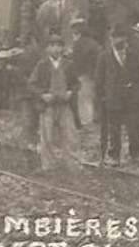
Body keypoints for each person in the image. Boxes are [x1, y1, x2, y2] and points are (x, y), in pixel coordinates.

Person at [95, 25, 139, 165]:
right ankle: (114, 155)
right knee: (114, 128)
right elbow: (99, 80)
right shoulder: (104, 56)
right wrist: (101, 99)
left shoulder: (133, 55)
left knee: (134, 126)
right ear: (111, 39)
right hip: (113, 97)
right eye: (115, 37)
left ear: (126, 38)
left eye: (121, 37)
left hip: (132, 97)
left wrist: (138, 91)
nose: (119, 40)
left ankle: (135, 153)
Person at [28, 33, 78, 171]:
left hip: (64, 105)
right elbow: (32, 84)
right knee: (47, 137)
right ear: (47, 49)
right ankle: (48, 165)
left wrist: (71, 92)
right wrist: (42, 95)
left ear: (63, 48)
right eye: (53, 46)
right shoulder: (42, 65)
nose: (56, 49)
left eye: (59, 46)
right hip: (48, 106)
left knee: (69, 136)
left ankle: (71, 164)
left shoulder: (68, 65)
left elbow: (76, 83)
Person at [69, 18, 102, 131]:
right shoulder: (92, 42)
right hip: (91, 74)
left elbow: (78, 60)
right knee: (89, 98)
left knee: (84, 99)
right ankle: (89, 121)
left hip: (84, 74)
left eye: (75, 29)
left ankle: (87, 124)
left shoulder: (81, 43)